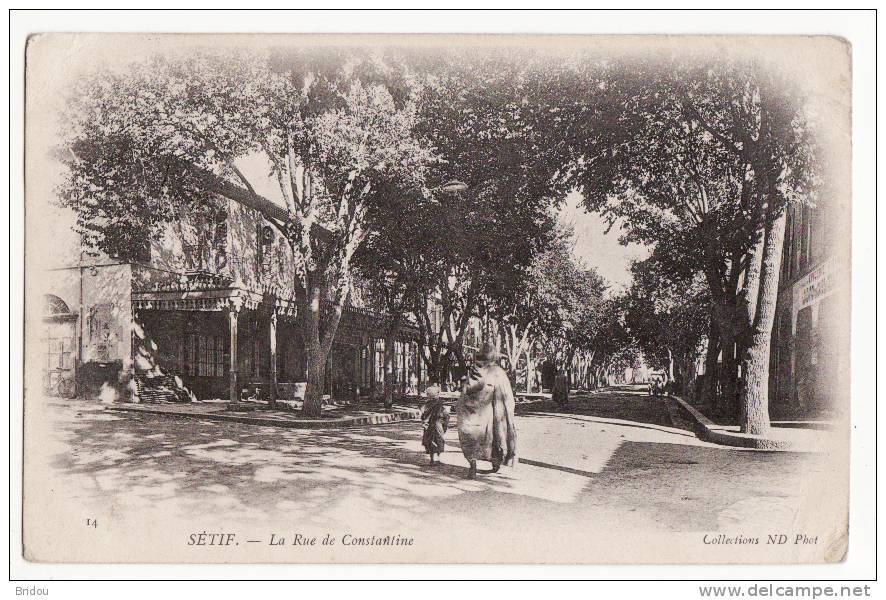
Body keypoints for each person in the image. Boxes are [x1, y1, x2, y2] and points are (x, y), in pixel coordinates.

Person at [457, 342, 517, 479]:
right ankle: (496, 464)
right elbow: (506, 396)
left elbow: (465, 393)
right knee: (496, 434)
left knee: (472, 439)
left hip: (474, 414)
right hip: (492, 413)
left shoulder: (473, 371)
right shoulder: (497, 372)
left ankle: (472, 465)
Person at [420, 379, 448, 465]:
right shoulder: (439, 404)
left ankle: (432, 459)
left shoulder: (426, 405)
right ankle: (438, 459)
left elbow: (423, 416)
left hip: (429, 426)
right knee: (438, 441)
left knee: (430, 442)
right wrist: (445, 423)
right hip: (437, 425)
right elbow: (444, 415)